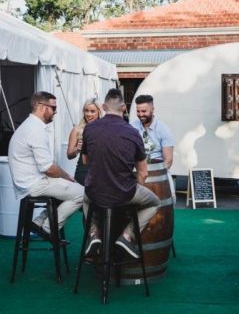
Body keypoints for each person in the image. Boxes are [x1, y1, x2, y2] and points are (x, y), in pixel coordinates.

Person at [82, 89, 160, 258]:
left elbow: (86, 162)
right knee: (154, 203)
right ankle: (126, 236)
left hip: (95, 191)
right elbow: (143, 172)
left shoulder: (89, 129)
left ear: (103, 107)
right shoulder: (133, 133)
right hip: (123, 193)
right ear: (124, 108)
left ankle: (94, 234)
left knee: (86, 199)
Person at [8, 91, 84, 238]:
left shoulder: (30, 126)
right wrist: (67, 176)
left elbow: (47, 166)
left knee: (68, 188)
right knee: (83, 193)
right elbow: (48, 168)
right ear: (42, 107)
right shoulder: (35, 130)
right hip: (33, 184)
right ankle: (49, 228)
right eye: (53, 108)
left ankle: (38, 222)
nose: (55, 112)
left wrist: (63, 176)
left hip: (28, 182)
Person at [131, 94, 174, 169]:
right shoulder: (131, 127)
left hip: (159, 170)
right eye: (138, 111)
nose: (141, 114)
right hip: (137, 170)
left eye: (144, 111)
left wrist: (154, 175)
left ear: (152, 109)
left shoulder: (163, 129)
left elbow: (168, 161)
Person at [67, 98, 102, 185]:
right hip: (83, 172)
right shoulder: (77, 129)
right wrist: (77, 149)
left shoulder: (104, 128)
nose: (89, 114)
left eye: (92, 111)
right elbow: (69, 155)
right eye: (86, 111)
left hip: (101, 171)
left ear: (99, 112)